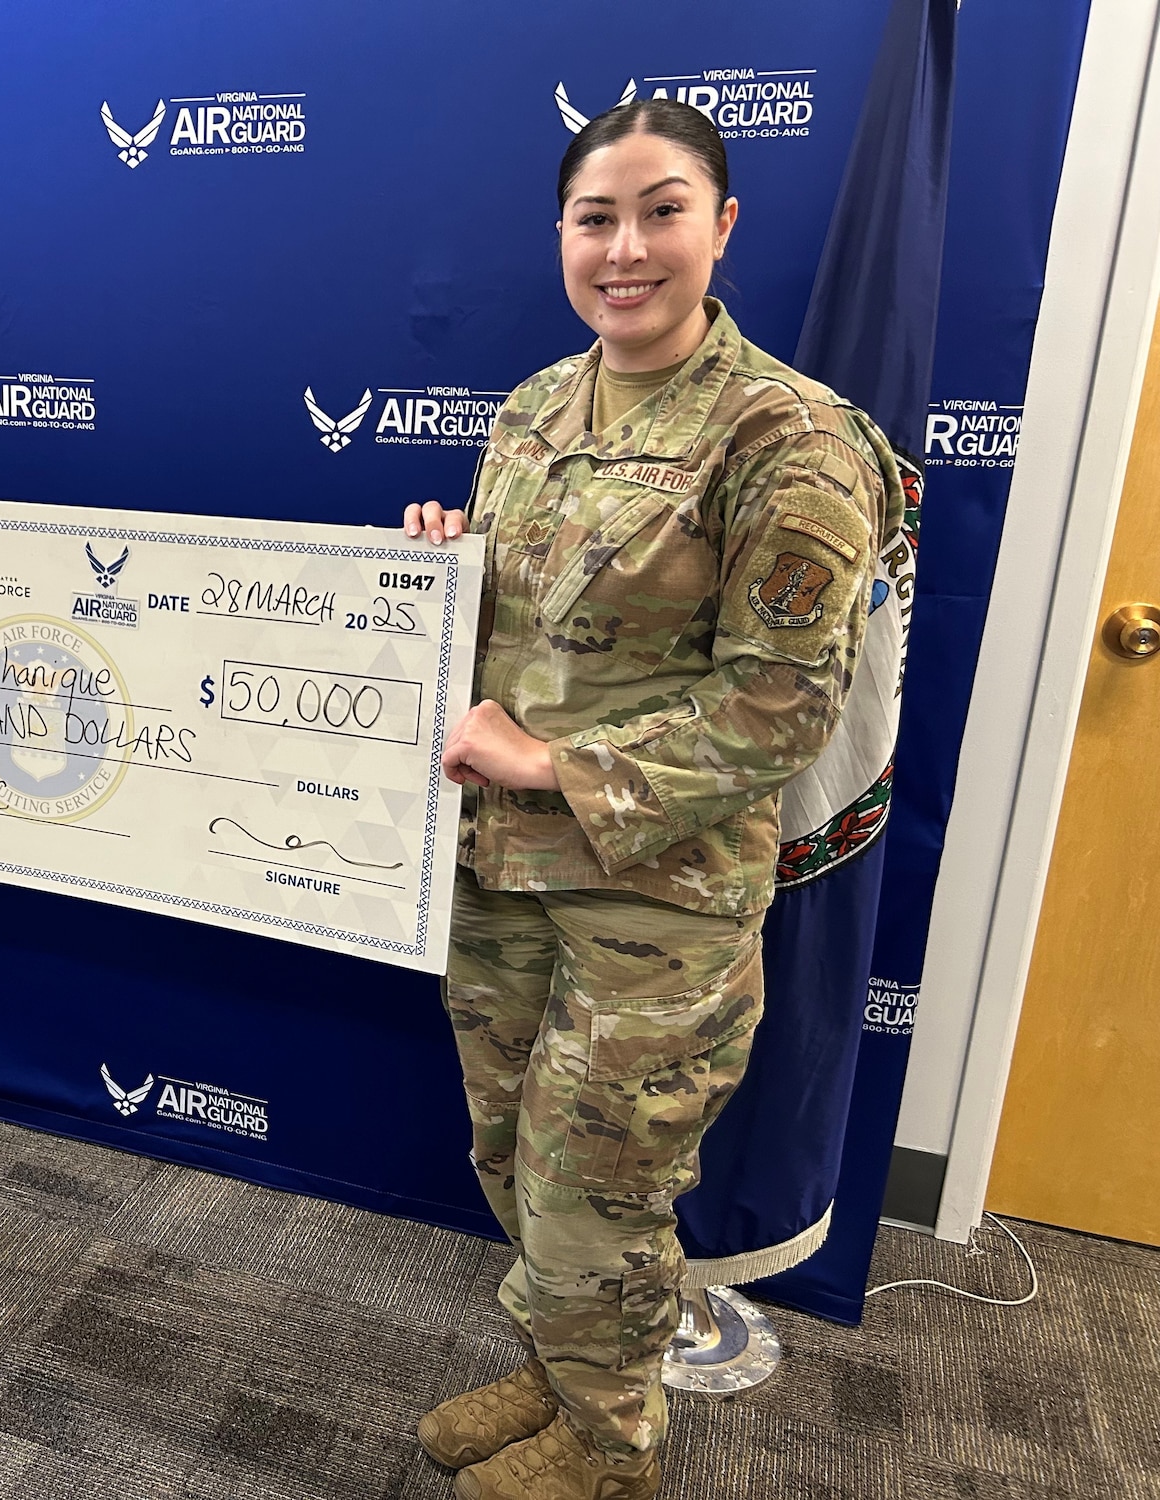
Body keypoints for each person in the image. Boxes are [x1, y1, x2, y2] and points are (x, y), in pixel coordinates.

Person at [402, 99, 904, 1500]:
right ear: (563, 234)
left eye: (662, 210)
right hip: (504, 877)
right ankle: (572, 1375)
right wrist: (443, 571)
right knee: (513, 1156)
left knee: (597, 1188)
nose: (627, 248)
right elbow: (525, 636)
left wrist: (558, 767)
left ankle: (613, 1451)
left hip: (657, 907)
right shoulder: (533, 410)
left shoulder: (790, 440)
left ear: (722, 226)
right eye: (596, 217)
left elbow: (781, 707)